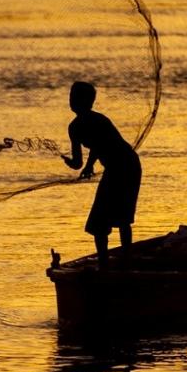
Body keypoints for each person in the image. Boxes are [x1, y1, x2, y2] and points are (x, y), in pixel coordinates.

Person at [61, 81, 142, 266]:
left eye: (76, 98)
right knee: (100, 222)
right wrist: (71, 162)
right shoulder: (74, 127)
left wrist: (88, 165)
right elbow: (78, 162)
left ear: (87, 102)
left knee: (120, 217)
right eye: (71, 97)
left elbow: (99, 144)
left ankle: (124, 260)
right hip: (115, 168)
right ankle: (106, 262)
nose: (72, 101)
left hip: (127, 165)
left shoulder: (99, 120)